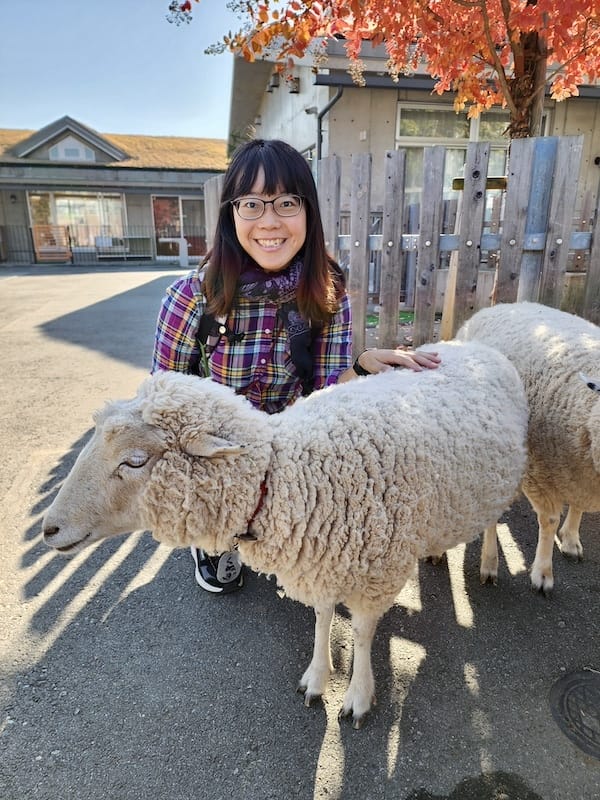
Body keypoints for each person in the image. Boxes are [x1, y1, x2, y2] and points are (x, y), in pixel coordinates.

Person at [152, 138, 441, 594]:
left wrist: (362, 367)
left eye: (286, 202)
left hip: (291, 440)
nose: (269, 221)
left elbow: (326, 393)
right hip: (216, 450)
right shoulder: (191, 296)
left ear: (308, 212)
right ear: (231, 214)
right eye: (252, 204)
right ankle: (213, 536)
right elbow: (163, 400)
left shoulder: (326, 290)